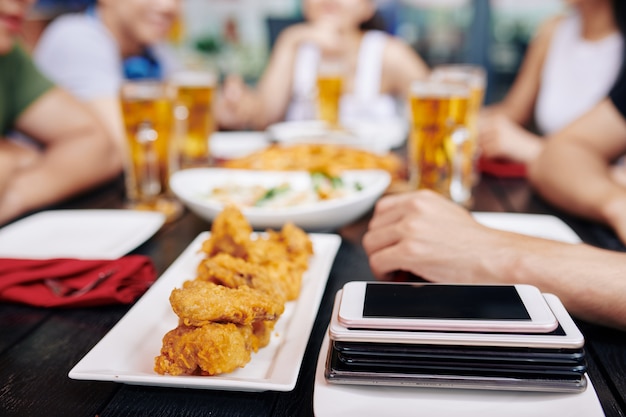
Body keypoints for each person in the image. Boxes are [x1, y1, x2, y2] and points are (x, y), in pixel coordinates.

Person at [217, 0, 429, 130]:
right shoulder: (294, 45)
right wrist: (292, 38)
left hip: (373, 172)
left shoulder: (389, 52)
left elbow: (436, 110)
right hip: (300, 172)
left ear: (367, 7)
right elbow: (264, 119)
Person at [0, 0, 120, 225]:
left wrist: (12, 195)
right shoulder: (77, 34)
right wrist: (14, 156)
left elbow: (101, 147)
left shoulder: (9, 54)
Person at [478, 0, 623, 166]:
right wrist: (462, 119)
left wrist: (529, 148)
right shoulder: (553, 31)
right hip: (548, 184)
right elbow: (513, 111)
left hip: (595, 188)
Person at [33, 0, 182, 155]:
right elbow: (129, 143)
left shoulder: (155, 51)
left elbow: (198, 117)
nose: (168, 6)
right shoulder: (75, 35)